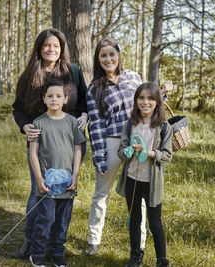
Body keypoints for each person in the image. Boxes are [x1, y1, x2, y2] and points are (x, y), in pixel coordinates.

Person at [12, 28, 88, 259]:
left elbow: (85, 101)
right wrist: (25, 126)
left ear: (62, 48)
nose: (51, 49)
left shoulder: (72, 72)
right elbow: (18, 108)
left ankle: (56, 245)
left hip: (71, 140)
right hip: (40, 140)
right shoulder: (29, 75)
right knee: (39, 189)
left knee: (64, 190)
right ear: (39, 48)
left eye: (56, 45)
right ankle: (31, 241)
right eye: (46, 45)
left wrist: (84, 115)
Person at [85, 37, 148, 255]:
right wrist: (100, 157)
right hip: (111, 143)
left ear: (118, 55)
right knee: (102, 192)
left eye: (112, 54)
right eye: (103, 55)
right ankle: (94, 240)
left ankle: (139, 243)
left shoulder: (133, 77)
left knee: (137, 195)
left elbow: (145, 104)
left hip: (136, 143)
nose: (108, 59)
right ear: (98, 59)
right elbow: (95, 126)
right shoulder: (94, 88)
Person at [28, 77, 86, 267]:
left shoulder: (71, 122)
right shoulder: (38, 123)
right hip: (47, 184)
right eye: (50, 96)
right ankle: (37, 253)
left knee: (62, 222)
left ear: (65, 99)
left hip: (67, 183)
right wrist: (38, 179)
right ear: (44, 99)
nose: (54, 99)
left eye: (58, 96)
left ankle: (57, 252)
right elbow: (33, 153)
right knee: (45, 219)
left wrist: (75, 175)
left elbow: (78, 149)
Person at [116, 82, 172, 267]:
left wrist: (149, 153)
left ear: (157, 101)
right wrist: (130, 151)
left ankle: (162, 261)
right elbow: (121, 150)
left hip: (152, 182)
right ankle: (135, 257)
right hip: (132, 178)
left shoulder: (163, 127)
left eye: (150, 98)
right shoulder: (130, 124)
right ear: (136, 100)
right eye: (141, 98)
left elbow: (167, 155)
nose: (145, 102)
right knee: (134, 219)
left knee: (155, 222)